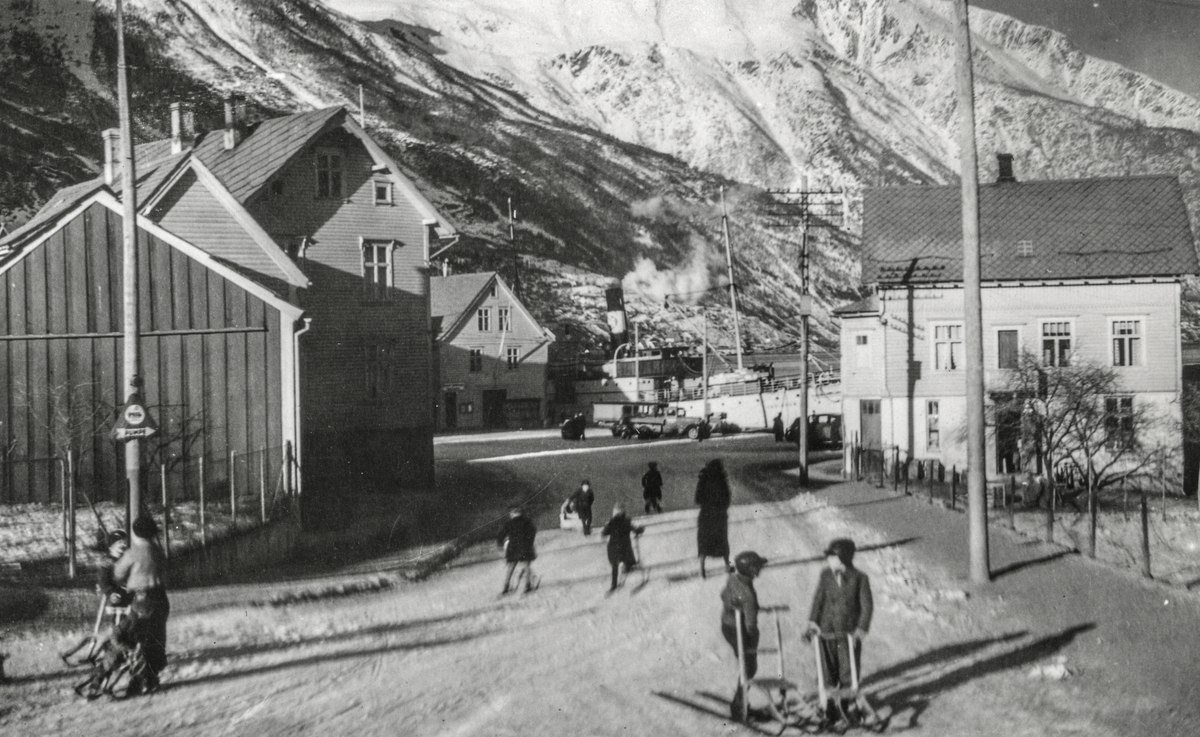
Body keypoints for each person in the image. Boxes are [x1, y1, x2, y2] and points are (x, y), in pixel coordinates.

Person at [805, 538, 873, 729]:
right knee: (827, 670)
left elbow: (866, 606)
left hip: (848, 635)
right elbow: (818, 600)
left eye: (832, 557)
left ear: (843, 557)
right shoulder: (826, 575)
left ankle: (845, 704)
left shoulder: (860, 578)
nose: (828, 560)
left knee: (847, 670)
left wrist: (861, 629)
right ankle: (829, 709)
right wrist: (813, 622)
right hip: (826, 632)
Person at [112, 516, 170, 693]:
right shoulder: (158, 552)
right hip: (160, 599)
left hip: (142, 600)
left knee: (139, 638)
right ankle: (153, 677)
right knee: (156, 637)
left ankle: (140, 678)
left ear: (135, 533)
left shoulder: (132, 553)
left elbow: (118, 573)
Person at [60, 530, 131, 665]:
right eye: (119, 543)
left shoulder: (126, 560)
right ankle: (116, 654)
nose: (123, 546)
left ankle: (121, 652)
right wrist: (110, 592)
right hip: (116, 601)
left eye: (124, 543)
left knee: (126, 627)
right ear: (111, 547)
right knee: (117, 628)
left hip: (128, 598)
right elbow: (103, 581)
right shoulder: (107, 562)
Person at [721, 550, 768, 719]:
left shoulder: (734, 579)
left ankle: (740, 703)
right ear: (751, 570)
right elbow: (750, 624)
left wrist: (733, 605)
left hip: (728, 626)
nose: (760, 570)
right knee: (749, 667)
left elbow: (723, 594)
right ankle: (739, 706)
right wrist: (753, 635)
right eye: (757, 567)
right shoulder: (747, 592)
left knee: (746, 666)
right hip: (738, 630)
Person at [695, 459, 732, 578]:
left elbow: (697, 499)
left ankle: (702, 568)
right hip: (719, 515)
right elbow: (727, 497)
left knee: (704, 541)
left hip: (705, 515)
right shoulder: (722, 480)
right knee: (722, 539)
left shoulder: (703, 480)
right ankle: (727, 566)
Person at [601, 502, 644, 592]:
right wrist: (640, 529)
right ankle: (626, 566)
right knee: (629, 560)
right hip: (624, 546)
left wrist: (605, 532)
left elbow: (605, 532)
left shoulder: (611, 521)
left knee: (614, 565)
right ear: (623, 512)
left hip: (613, 547)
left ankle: (614, 584)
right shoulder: (627, 520)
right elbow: (635, 529)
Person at [497, 508, 538, 595]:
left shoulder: (509, 523)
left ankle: (506, 587)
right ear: (520, 513)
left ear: (512, 514)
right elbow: (533, 531)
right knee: (526, 566)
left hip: (513, 547)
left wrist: (500, 544)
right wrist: (530, 542)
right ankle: (528, 585)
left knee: (511, 567)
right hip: (525, 546)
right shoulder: (527, 521)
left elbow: (501, 534)